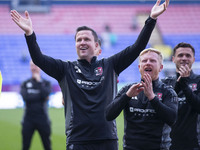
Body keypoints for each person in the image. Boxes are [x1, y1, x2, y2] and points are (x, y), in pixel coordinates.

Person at [10, 0, 169, 149]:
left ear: (97, 45)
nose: (82, 42)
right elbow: (38, 58)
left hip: (107, 139)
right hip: (77, 140)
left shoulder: (110, 65)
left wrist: (152, 19)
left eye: (86, 39)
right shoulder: (65, 69)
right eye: (78, 40)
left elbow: (137, 47)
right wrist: (30, 33)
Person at [106, 48, 178, 150]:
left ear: (161, 67)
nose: (148, 63)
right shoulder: (128, 89)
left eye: (152, 61)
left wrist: (152, 98)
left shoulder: (168, 92)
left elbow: (172, 119)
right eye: (144, 61)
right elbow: (108, 115)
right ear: (139, 67)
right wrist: (126, 96)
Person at [162, 42, 200, 150]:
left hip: (194, 144)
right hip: (168, 145)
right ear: (173, 59)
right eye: (180, 55)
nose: (184, 58)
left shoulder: (199, 81)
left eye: (188, 55)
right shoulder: (165, 83)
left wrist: (184, 85)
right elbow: (161, 109)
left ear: (193, 59)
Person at [20, 60, 52, 150]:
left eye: (36, 65)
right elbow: (25, 97)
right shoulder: (25, 83)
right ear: (30, 67)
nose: (34, 68)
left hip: (43, 119)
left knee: (47, 146)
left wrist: (38, 82)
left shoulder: (46, 83)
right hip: (28, 119)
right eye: (32, 66)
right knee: (25, 146)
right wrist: (40, 96)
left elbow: (45, 94)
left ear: (40, 67)